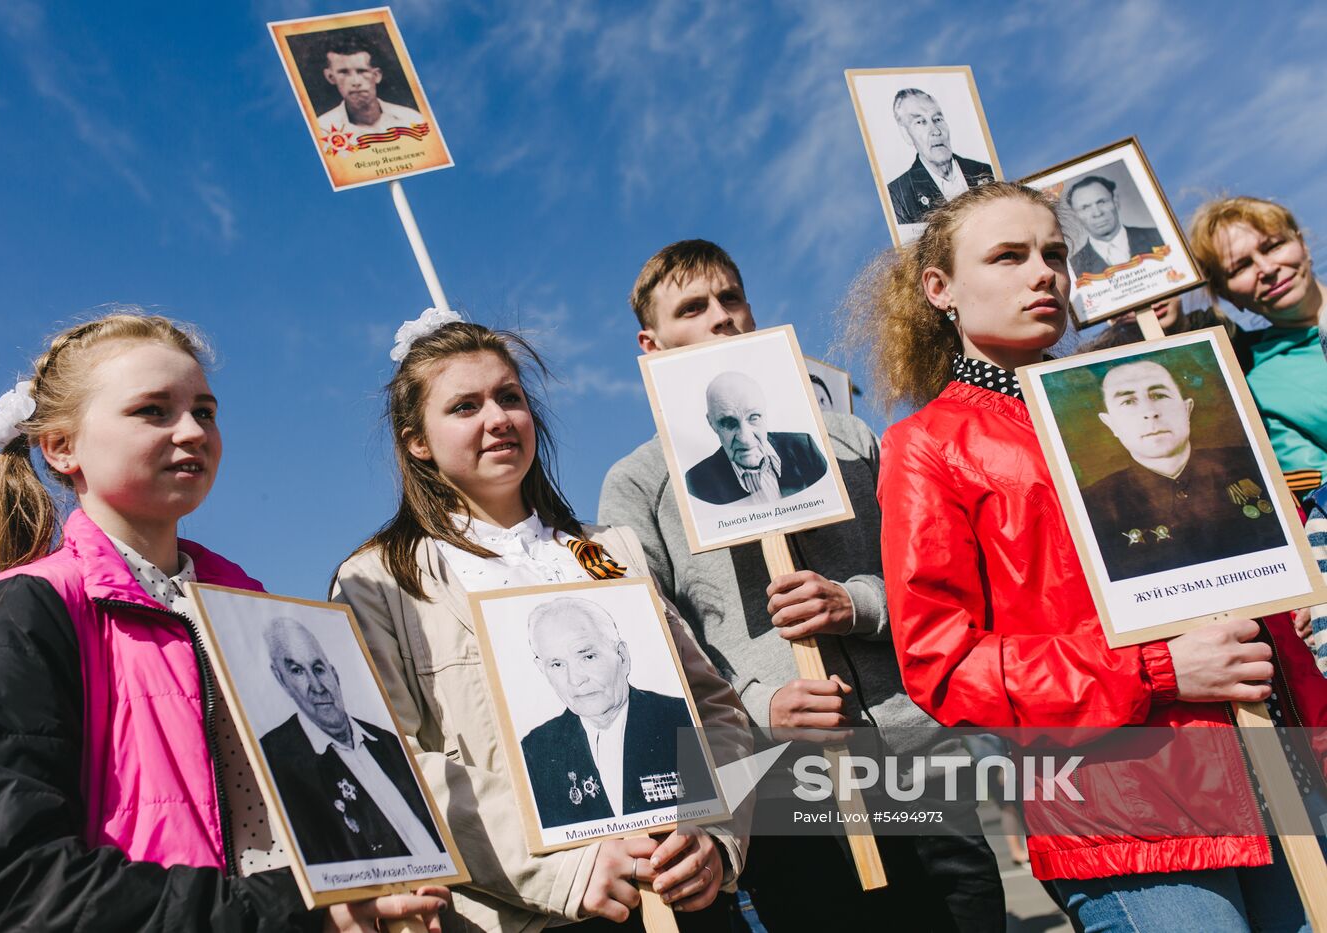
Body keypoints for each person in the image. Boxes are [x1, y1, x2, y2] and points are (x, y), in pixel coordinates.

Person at [852, 181, 1327, 932]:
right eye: (1008, 256)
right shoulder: (928, 446)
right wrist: (1160, 668)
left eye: (1053, 253)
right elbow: (943, 664)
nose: (1043, 272)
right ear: (938, 288)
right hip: (1125, 812)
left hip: (1277, 765)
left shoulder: (1139, 395)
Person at [0, 313, 448, 933]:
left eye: (205, 411)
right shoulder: (29, 608)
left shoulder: (258, 614)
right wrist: (290, 913)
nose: (193, 432)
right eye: (154, 410)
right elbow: (4, 889)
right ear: (62, 447)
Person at [601, 239, 1004, 932]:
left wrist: (858, 601)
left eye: (732, 298)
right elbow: (650, 648)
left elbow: (931, 576)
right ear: (651, 344)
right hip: (778, 785)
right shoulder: (637, 483)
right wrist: (759, 706)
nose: (720, 317)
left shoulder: (848, 439)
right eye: (693, 307)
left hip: (915, 754)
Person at [331, 312, 750, 931]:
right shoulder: (379, 582)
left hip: (680, 902)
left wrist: (713, 835)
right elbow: (391, 761)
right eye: (464, 406)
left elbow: (714, 711)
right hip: (523, 916)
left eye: (509, 397)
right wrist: (566, 871)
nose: (497, 418)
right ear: (416, 438)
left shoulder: (613, 550)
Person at [260, 616, 445, 865]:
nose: (317, 686)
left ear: (334, 673)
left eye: (318, 668)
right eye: (297, 671)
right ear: (281, 680)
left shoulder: (387, 741)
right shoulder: (275, 759)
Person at [1080, 358, 1285, 581]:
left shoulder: (1251, 464)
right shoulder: (1093, 506)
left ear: (1187, 408)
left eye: (1159, 395)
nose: (1150, 412)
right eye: (1128, 401)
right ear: (1110, 424)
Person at [521, 597, 711, 829]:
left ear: (622, 656)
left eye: (587, 657)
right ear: (543, 670)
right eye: (557, 665)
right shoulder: (536, 749)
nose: (576, 679)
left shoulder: (682, 718)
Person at [1189, 195, 1327, 499]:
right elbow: (1319, 487)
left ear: (1302, 245)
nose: (1266, 268)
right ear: (1228, 296)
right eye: (1240, 267)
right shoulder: (1257, 392)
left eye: (1273, 246)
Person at [683, 371, 828, 506]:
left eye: (754, 417)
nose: (745, 438)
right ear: (711, 423)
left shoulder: (804, 448)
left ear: (765, 412)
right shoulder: (696, 482)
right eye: (729, 423)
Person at [886, 88, 995, 226]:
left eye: (937, 119)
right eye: (920, 122)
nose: (936, 131)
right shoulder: (899, 195)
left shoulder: (984, 170)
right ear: (906, 134)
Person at [316, 33, 425, 133]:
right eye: (344, 72)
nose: (356, 82)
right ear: (331, 77)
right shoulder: (322, 129)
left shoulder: (412, 119)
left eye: (362, 71)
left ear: (376, 75)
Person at [1064, 175, 1166, 277]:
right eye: (1085, 207)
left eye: (1101, 202)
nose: (1097, 213)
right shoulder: (1073, 269)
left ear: (1116, 201)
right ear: (1075, 216)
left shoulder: (1160, 237)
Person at [1080, 293, 1236, 352]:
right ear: (1111, 318)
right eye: (1130, 294)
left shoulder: (1225, 332)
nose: (1152, 302)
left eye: (1153, 287)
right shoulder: (1102, 365)